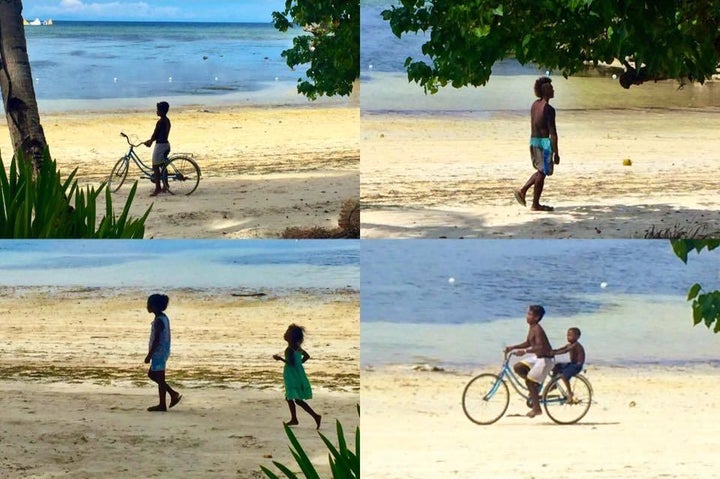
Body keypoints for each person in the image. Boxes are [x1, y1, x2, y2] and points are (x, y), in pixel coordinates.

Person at [513, 77, 560, 211]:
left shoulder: (535, 105)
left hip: (533, 141)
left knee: (540, 171)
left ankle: (523, 192)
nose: (553, 90)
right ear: (546, 91)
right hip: (544, 143)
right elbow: (553, 133)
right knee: (542, 173)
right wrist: (556, 152)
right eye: (551, 88)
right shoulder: (549, 109)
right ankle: (534, 203)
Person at [504, 305, 555, 418]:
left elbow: (540, 347)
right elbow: (528, 342)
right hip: (538, 358)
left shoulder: (537, 329)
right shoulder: (532, 327)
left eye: (530, 314)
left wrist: (525, 351)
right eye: (528, 314)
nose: (527, 316)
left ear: (536, 317)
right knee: (518, 367)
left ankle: (537, 409)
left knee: (529, 382)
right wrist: (513, 347)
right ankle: (535, 390)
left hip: (546, 359)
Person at [273, 324, 322, 429]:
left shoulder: (289, 349)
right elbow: (307, 356)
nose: (285, 334)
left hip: (291, 375)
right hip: (298, 373)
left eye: (287, 333)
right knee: (292, 398)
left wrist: (279, 359)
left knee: (293, 398)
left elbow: (290, 363)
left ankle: (313, 416)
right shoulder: (297, 347)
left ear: (290, 337)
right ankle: (296, 418)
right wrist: (300, 364)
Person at [144, 293, 182, 412]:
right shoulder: (162, 318)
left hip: (159, 353)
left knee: (159, 379)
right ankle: (172, 393)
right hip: (162, 351)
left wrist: (149, 355)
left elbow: (156, 340)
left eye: (149, 304)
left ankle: (162, 404)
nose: (147, 306)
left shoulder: (159, 321)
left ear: (154, 306)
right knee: (152, 375)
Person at [551, 327, 586, 403]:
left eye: (570, 335)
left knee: (564, 376)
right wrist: (551, 351)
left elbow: (565, 351)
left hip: (577, 365)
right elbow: (561, 349)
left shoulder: (575, 345)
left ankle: (570, 393)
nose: (568, 337)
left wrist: (554, 353)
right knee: (555, 367)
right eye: (567, 335)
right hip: (571, 364)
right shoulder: (570, 345)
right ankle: (554, 384)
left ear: (577, 337)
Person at [144, 101, 171, 196]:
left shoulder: (160, 122)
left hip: (160, 146)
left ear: (162, 111)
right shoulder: (167, 120)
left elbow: (155, 134)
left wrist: (150, 141)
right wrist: (151, 140)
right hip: (166, 144)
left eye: (158, 110)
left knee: (155, 166)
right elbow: (159, 134)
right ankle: (166, 184)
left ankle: (158, 188)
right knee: (163, 165)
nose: (157, 111)